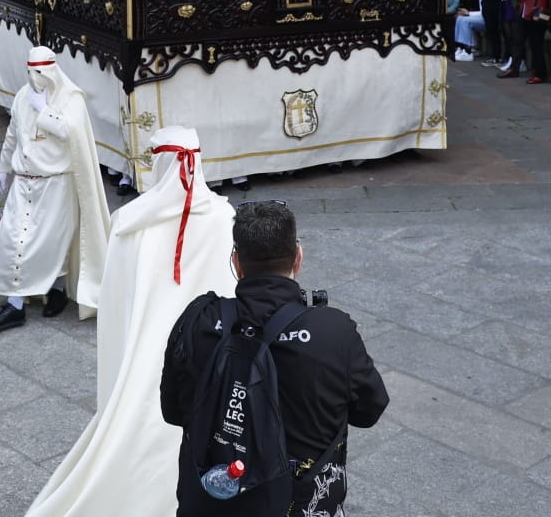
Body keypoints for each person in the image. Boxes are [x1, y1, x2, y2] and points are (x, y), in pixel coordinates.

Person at [28, 127, 238, 517]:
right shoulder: (224, 217)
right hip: (210, 358)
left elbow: (118, 303)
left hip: (148, 357)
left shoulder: (130, 223)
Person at [160, 200, 389, 517]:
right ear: (298, 257)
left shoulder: (199, 321)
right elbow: (369, 410)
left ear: (237, 262)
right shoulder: (334, 331)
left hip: (214, 502)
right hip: (302, 506)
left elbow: (173, 412)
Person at [0, 46, 110, 330]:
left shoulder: (71, 98)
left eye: (40, 72)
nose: (34, 78)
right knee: (12, 239)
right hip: (24, 182)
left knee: (52, 243)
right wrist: (3, 168)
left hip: (56, 184)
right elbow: (12, 135)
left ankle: (57, 290)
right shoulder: (21, 97)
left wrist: (45, 111)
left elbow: (71, 132)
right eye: (30, 71)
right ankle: (14, 305)